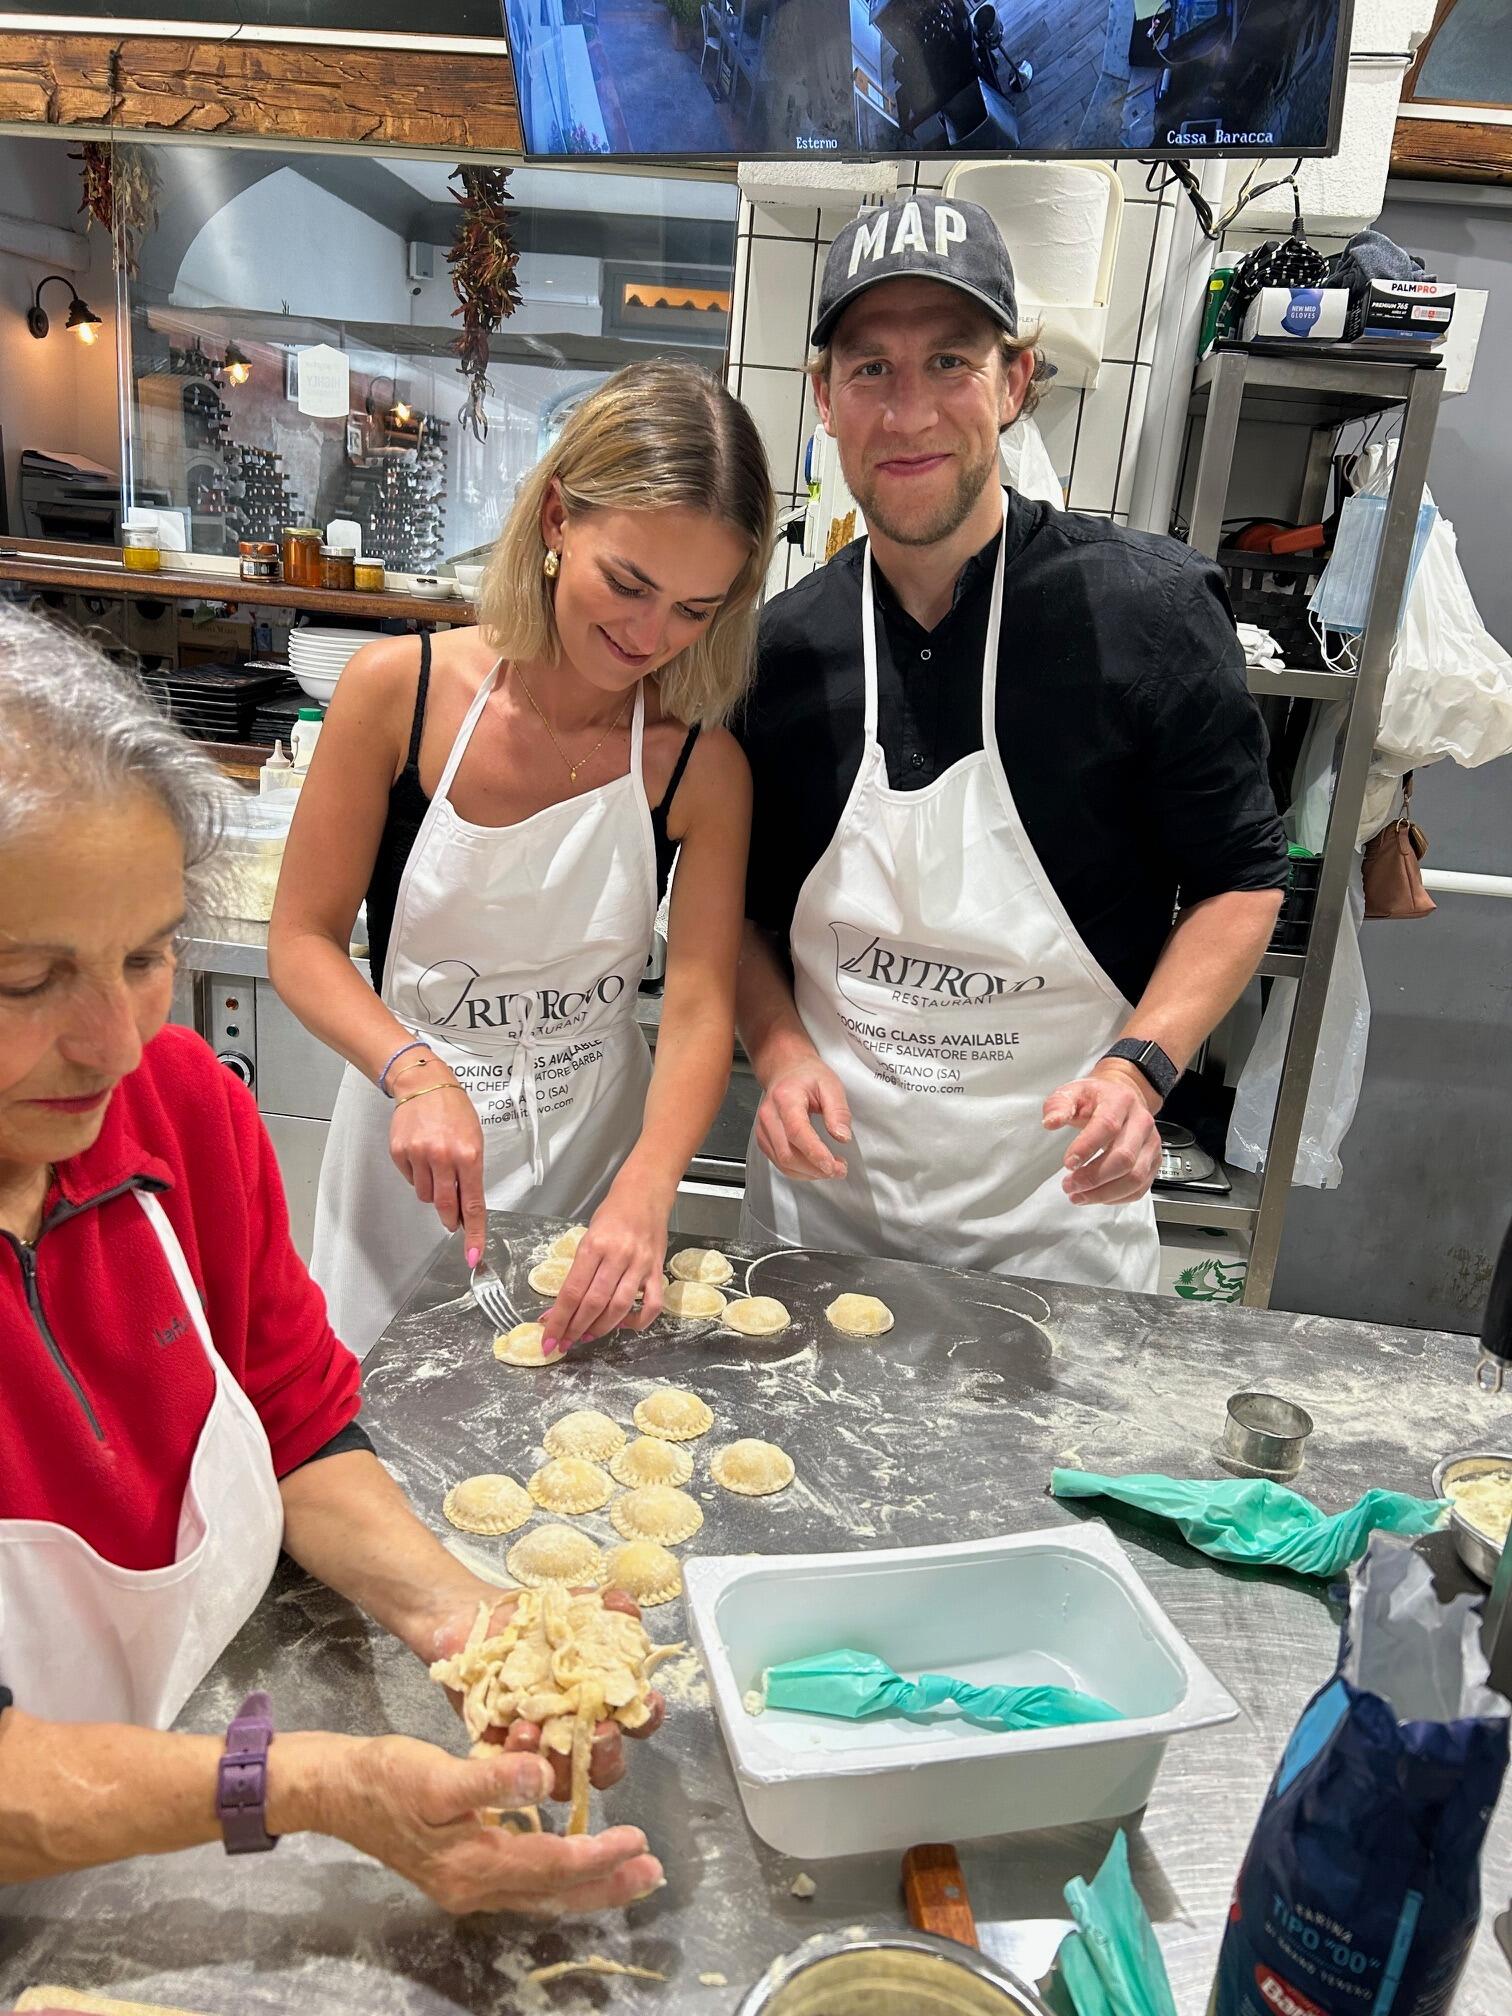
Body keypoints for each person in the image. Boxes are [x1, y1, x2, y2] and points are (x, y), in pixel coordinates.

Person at [0, 606, 663, 1913]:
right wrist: (303, 1784)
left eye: (144, 959)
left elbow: (297, 1425)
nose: (113, 1042)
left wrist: (468, 1624)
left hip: (151, 1829)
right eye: (28, 980)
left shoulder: (178, 1111)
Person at [736, 194, 1288, 1292]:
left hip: (1058, 1234)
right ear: (825, 401)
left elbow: (1243, 880)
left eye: (950, 361)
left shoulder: (1150, 613)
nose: (909, 414)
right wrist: (781, 1048)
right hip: (823, 1230)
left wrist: (1142, 1070)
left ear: (1014, 381)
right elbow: (737, 913)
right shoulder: (777, 654)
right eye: (871, 371)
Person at [272, 362, 774, 1359]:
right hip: (407, 1168)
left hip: (591, 1171)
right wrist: (414, 1073)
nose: (647, 635)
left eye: (693, 608)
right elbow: (301, 940)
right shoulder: (397, 694)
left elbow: (702, 1006)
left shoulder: (699, 768)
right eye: (627, 583)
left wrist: (648, 1185)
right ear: (556, 519)